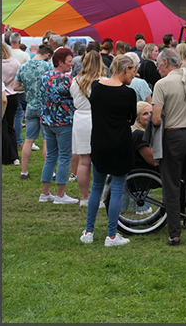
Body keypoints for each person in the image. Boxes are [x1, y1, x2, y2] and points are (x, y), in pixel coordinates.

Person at [150, 48, 186, 246]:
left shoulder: (162, 84)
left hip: (174, 135)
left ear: (166, 63)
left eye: (158, 65)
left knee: (172, 185)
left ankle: (174, 234)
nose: (157, 69)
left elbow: (156, 118)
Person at [79, 55, 137, 247]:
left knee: (97, 186)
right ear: (126, 69)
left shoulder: (96, 87)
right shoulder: (128, 94)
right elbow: (131, 118)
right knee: (117, 189)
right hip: (120, 143)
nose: (134, 76)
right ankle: (111, 235)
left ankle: (89, 231)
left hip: (99, 142)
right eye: (134, 71)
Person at [38, 47, 78, 204]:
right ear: (60, 62)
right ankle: (60, 194)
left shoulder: (44, 77)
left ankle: (45, 193)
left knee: (51, 157)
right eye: (69, 61)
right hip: (63, 122)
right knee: (64, 156)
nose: (72, 64)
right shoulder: (67, 80)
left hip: (47, 121)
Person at [70, 51, 108, 208]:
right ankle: (99, 197)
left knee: (84, 161)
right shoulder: (105, 81)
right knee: (101, 161)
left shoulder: (75, 81)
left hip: (81, 120)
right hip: (98, 119)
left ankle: (85, 197)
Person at [15, 44, 52, 178]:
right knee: (46, 140)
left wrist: (27, 88)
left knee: (29, 140)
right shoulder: (48, 67)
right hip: (45, 107)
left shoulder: (23, 67)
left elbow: (15, 86)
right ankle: (50, 171)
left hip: (30, 106)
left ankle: (24, 171)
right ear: (47, 55)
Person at [2, 43, 21, 165]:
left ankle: (6, 156)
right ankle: (15, 157)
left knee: (3, 127)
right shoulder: (15, 62)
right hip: (14, 95)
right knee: (11, 126)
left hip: (2, 95)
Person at [131, 102, 157, 171]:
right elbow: (153, 160)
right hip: (146, 171)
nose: (150, 116)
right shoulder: (139, 135)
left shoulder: (151, 132)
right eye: (145, 114)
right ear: (138, 119)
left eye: (151, 113)